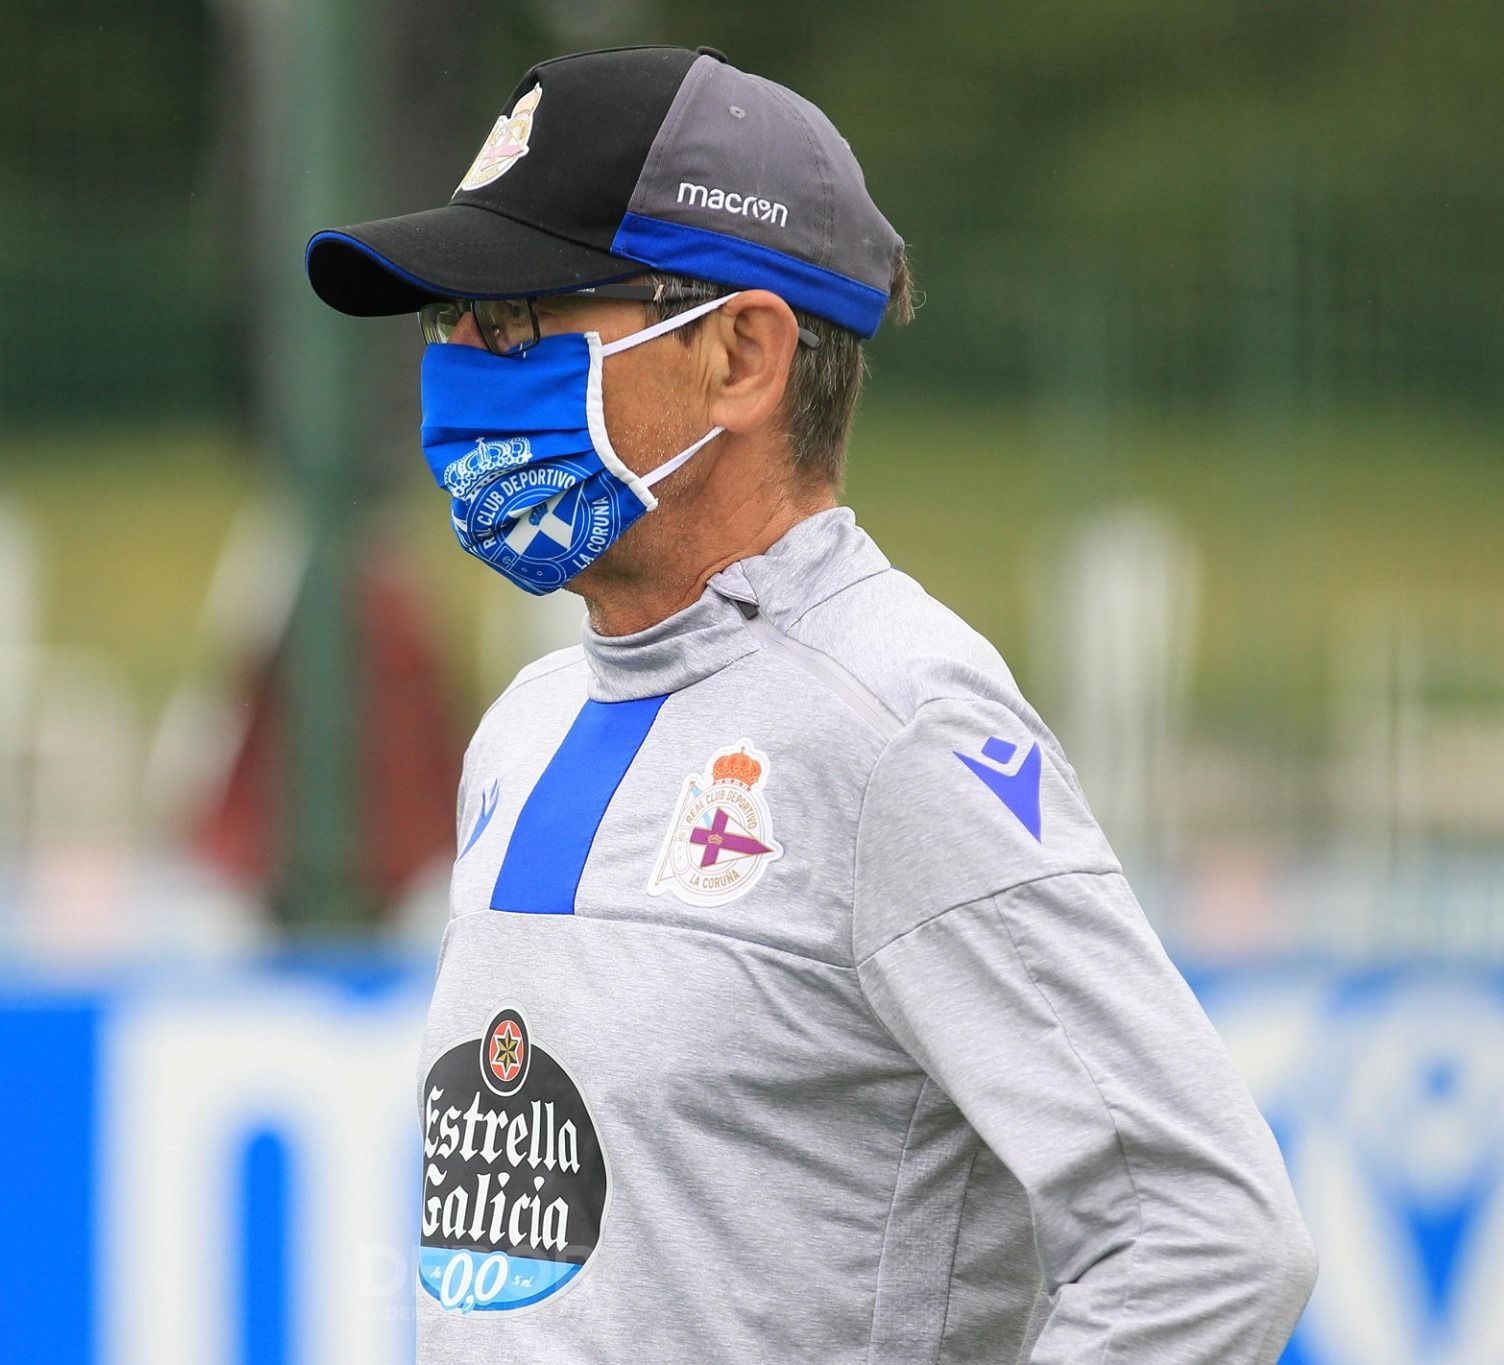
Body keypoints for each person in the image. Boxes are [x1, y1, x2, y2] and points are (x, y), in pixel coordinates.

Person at [306, 44, 1316, 1363]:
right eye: (448, 322)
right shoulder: (528, 721)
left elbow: (1209, 1237)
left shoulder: (897, 720)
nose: (455, 366)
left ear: (741, 355)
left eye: (513, 318)